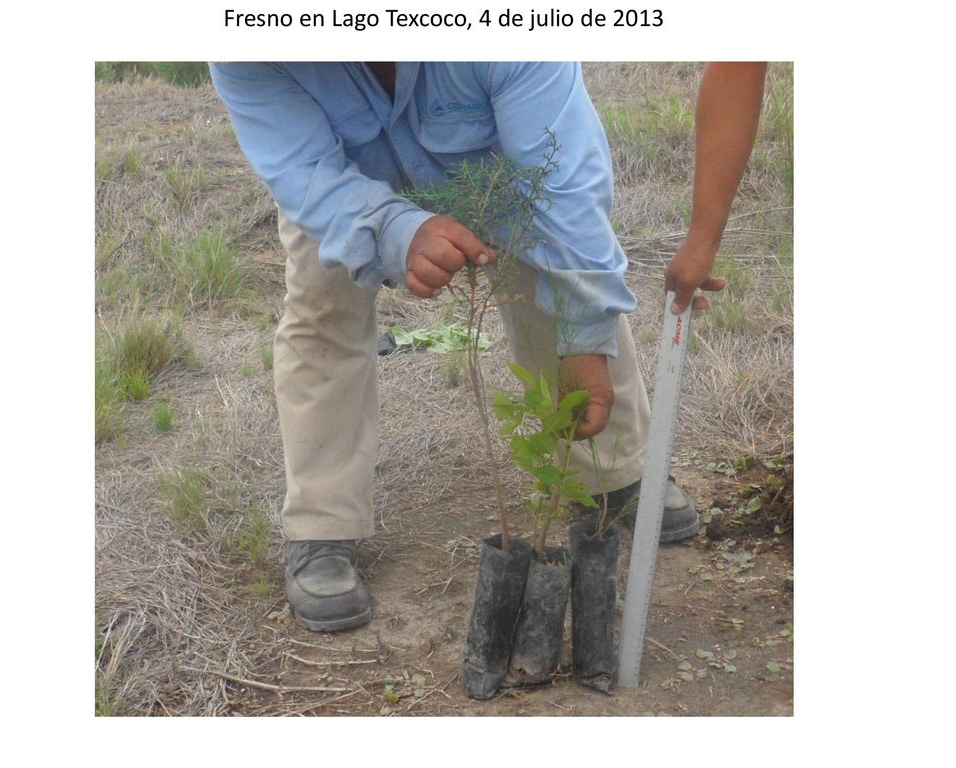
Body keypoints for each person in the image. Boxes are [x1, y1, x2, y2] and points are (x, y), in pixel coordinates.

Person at [209, 62, 766, 632]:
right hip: (339, 182)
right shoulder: (245, 48)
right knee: (322, 306)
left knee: (554, 289)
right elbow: (305, 171)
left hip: (500, 169)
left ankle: (615, 474)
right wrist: (398, 231)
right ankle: (321, 528)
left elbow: (562, 182)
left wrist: (583, 335)